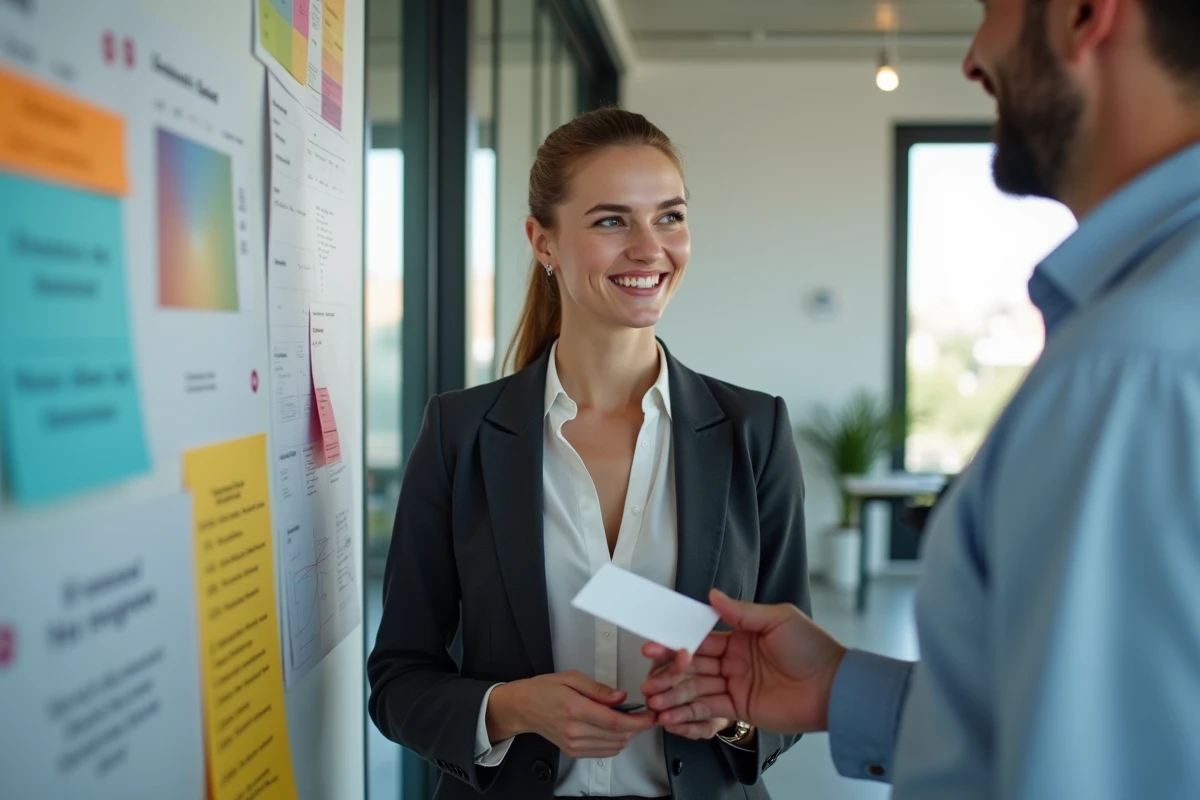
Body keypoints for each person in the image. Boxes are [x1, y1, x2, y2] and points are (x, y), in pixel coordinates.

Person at [640, 0, 1200, 797]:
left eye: (990, 10)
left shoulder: (1127, 370)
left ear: (1083, 16)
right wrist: (843, 688)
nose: (973, 58)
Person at [367, 108, 811, 800]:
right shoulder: (461, 433)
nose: (649, 247)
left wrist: (732, 719)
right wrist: (513, 708)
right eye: (611, 221)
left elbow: (791, 679)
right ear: (543, 242)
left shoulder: (752, 431)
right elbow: (397, 679)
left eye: (670, 217)